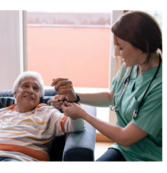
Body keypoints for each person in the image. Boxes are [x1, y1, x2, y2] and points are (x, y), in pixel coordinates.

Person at [51, 11, 162, 161]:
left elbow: (125, 137)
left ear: (143, 44)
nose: (117, 53)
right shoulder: (132, 64)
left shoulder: (160, 88)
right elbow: (112, 97)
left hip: (149, 157)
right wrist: (75, 96)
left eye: (121, 47)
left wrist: (83, 114)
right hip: (123, 149)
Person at [0, 71, 85, 161]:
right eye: (25, 86)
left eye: (36, 88)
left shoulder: (46, 112)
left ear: (39, 97)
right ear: (15, 93)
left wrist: (71, 99)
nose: (30, 91)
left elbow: (77, 126)